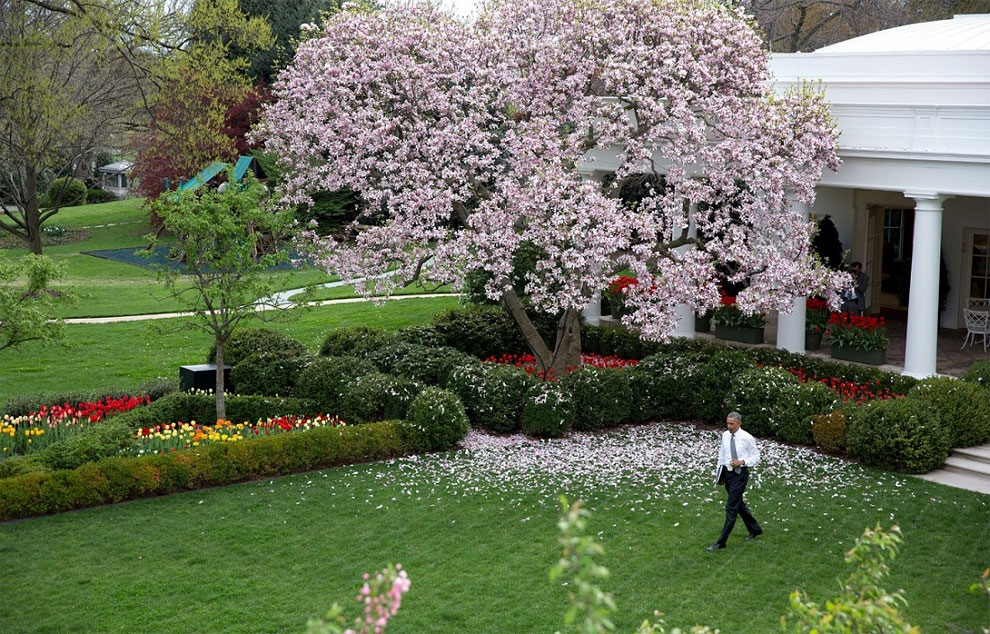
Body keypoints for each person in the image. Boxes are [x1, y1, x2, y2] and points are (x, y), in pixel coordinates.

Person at [707, 411, 762, 551]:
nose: (729, 426)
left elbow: (756, 457)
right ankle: (755, 529)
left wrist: (742, 462)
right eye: (727, 423)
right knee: (738, 504)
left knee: (731, 507)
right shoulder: (725, 436)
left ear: (739, 423)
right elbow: (722, 454)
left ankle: (721, 542)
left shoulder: (747, 438)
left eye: (732, 424)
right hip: (728, 474)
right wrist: (719, 475)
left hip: (740, 475)